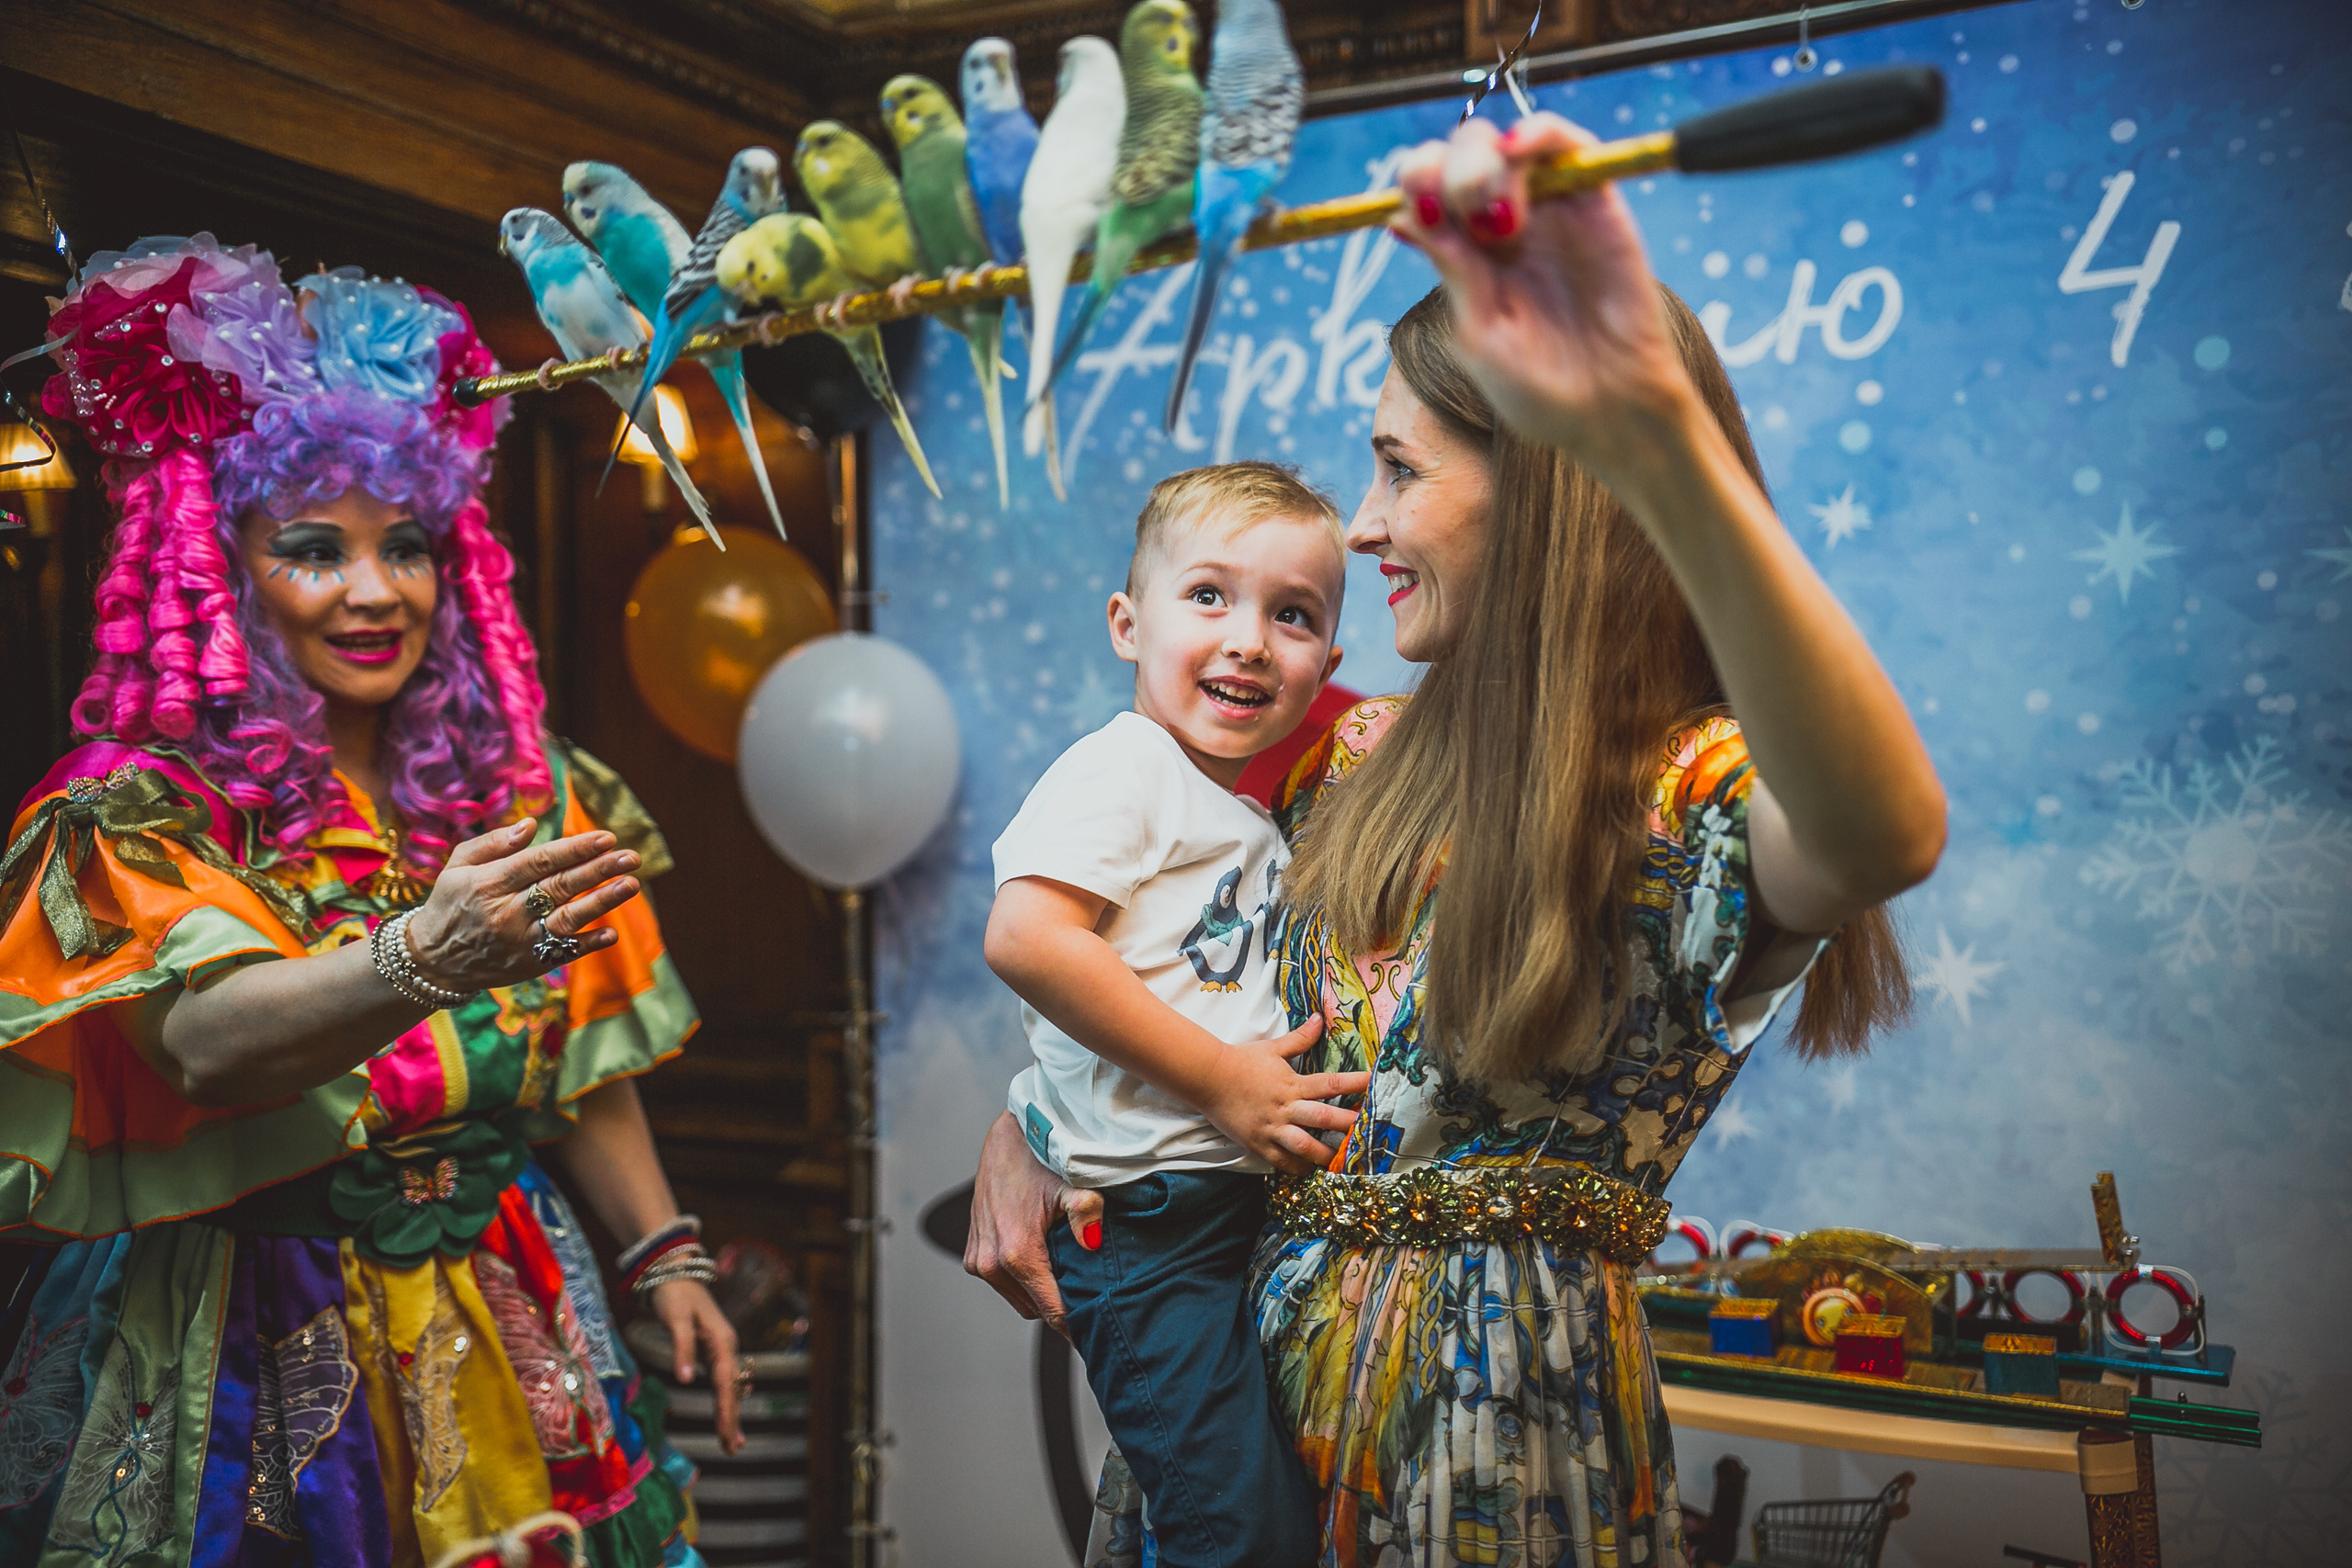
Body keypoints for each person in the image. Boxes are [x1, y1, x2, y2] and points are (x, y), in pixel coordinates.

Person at [966, 113, 1947, 1567]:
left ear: (1552, 487)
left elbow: (1881, 832)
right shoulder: (1353, 761)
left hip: (1504, 1449)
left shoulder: (1689, 793)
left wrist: (1654, 434)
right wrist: (1030, 1121)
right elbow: (1175, 963)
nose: (1362, 529)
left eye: (1398, 469)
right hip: (1251, 1419)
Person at [0, 235, 736, 1568]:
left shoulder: (516, 776)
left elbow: (581, 1050)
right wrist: (421, 957)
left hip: (507, 1291)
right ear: (223, 575)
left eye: (406, 545)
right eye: (312, 549)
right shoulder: (142, 801)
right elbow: (209, 1042)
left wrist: (665, 1251)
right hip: (245, 1316)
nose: (376, 589)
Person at [984, 463, 1367, 1568]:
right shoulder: (1123, 770)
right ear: (1125, 622)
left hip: (1221, 1223)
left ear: (1327, 666)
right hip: (1150, 1234)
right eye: (1209, 596)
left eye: (1291, 615)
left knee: (1252, 1512)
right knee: (1233, 1534)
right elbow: (1027, 939)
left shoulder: (1241, 815)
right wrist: (1222, 1081)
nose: (1249, 638)